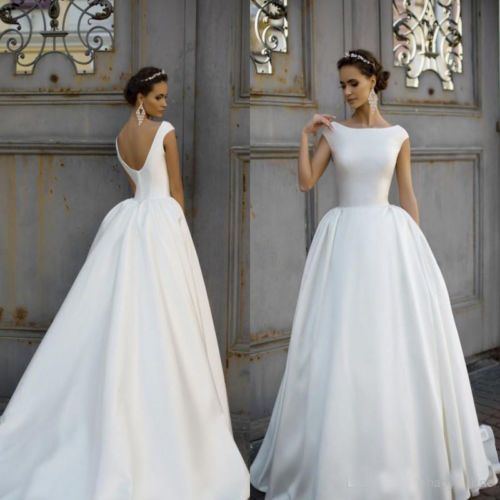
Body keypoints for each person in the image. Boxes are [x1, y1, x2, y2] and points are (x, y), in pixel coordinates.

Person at [250, 49, 499, 499]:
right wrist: (305, 137)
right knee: (342, 344)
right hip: (344, 243)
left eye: (353, 84)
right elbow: (307, 182)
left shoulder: (398, 135)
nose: (345, 93)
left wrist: (419, 255)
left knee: (390, 343)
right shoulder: (335, 132)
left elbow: (408, 195)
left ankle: (398, 456)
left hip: (388, 243)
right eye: (341, 84)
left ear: (373, 82)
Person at [0, 66, 249, 500]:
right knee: (166, 319)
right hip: (161, 224)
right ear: (141, 98)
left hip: (128, 224)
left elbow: (136, 183)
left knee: (119, 316)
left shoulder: (120, 138)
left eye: (165, 98)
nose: (165, 104)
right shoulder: (165, 132)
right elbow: (176, 192)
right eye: (158, 97)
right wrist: (179, 234)